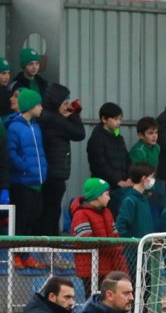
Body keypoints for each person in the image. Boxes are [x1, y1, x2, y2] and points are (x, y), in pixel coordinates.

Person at [36, 83, 85, 235]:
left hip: (50, 172)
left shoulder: (47, 117)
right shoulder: (54, 120)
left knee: (49, 211)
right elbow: (79, 134)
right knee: (51, 213)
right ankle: (49, 246)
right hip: (54, 173)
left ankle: (48, 246)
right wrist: (75, 114)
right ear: (56, 103)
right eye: (64, 104)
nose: (66, 107)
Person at [7, 88, 47, 243]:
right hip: (22, 181)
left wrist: (43, 170)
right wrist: (24, 167)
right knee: (22, 219)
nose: (41, 108)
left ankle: (26, 254)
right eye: (39, 104)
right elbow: (11, 152)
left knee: (34, 217)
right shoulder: (14, 127)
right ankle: (16, 254)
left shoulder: (36, 126)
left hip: (37, 180)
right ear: (30, 106)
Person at [70, 178, 128, 284]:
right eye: (106, 194)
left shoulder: (107, 212)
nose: (109, 198)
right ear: (97, 196)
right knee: (95, 299)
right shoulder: (81, 214)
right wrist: (111, 247)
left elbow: (116, 237)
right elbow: (85, 241)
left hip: (110, 266)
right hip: (91, 269)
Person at [116, 163, 156, 270]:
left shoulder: (143, 199)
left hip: (145, 251)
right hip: (132, 254)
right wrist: (127, 248)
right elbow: (121, 225)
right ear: (144, 178)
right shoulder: (130, 200)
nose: (153, 180)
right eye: (152, 177)